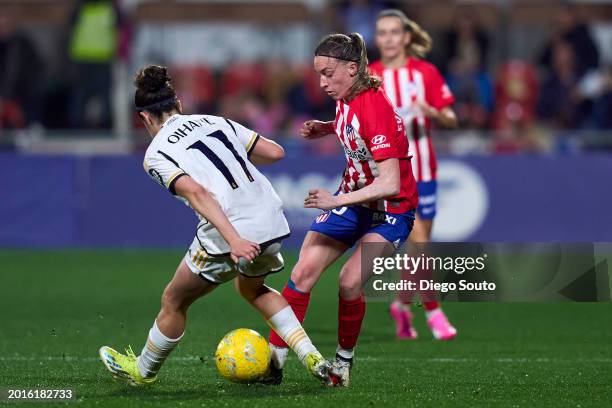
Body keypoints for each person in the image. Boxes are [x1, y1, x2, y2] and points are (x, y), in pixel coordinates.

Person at [98, 65, 332, 386]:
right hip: (271, 217)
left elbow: (196, 191)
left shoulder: (156, 153)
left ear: (145, 118)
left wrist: (234, 240)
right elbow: (275, 152)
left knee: (174, 300)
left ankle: (143, 371)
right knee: (253, 289)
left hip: (231, 227)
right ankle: (313, 357)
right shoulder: (214, 120)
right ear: (178, 103)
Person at [266, 33, 418, 387]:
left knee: (350, 282)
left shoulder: (374, 107)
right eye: (318, 73)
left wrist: (335, 201)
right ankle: (273, 362)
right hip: (354, 197)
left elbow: (391, 183)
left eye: (328, 73)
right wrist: (328, 128)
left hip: (389, 210)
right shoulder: (346, 95)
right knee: (303, 272)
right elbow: (354, 127)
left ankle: (343, 363)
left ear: (352, 69)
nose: (322, 82)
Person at [369, 9, 458, 340]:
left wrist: (433, 112)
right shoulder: (369, 77)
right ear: (376, 39)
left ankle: (401, 306)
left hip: (425, 170)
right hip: (391, 175)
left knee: (418, 248)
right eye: (382, 33)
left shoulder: (426, 73)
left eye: (394, 32)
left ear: (406, 37)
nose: (388, 39)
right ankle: (434, 312)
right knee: (419, 244)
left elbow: (452, 118)